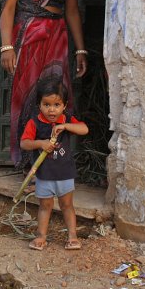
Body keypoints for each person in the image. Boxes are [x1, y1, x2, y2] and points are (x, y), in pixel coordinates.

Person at [0, 0, 88, 170]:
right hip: (27, 37)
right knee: (27, 96)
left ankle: (55, 161)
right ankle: (29, 163)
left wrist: (80, 48)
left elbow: (71, 11)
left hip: (57, 37)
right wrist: (7, 46)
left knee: (55, 94)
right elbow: (8, 9)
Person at [20, 78, 88, 251]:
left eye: (57, 105)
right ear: (39, 105)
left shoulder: (66, 120)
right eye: (46, 104)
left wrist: (65, 126)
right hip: (45, 174)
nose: (52, 109)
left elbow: (84, 129)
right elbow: (24, 143)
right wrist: (40, 144)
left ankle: (72, 237)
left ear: (64, 105)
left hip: (65, 173)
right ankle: (41, 236)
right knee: (45, 206)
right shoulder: (34, 123)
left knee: (67, 205)